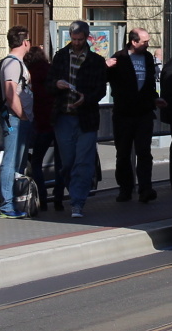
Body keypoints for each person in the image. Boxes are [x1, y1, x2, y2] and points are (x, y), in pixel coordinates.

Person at [48, 20, 107, 219]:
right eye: (73, 39)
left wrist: (86, 98)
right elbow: (48, 84)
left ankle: (77, 202)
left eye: (80, 40)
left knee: (84, 161)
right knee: (68, 162)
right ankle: (74, 190)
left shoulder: (96, 61)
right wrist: (57, 83)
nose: (76, 43)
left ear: (87, 37)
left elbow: (100, 90)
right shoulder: (61, 57)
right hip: (63, 116)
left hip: (86, 118)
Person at [106, 28, 167, 203]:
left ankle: (145, 189)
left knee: (144, 153)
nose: (147, 44)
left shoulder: (147, 58)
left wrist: (155, 99)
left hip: (144, 113)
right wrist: (105, 65)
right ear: (134, 42)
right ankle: (125, 189)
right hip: (124, 114)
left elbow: (148, 84)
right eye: (144, 42)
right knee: (123, 153)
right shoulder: (120, 57)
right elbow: (104, 77)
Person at [0, 26, 33, 220]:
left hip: (18, 119)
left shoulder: (17, 62)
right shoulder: (12, 63)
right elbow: (11, 94)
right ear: (25, 42)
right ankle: (7, 205)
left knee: (17, 163)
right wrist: (23, 116)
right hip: (14, 120)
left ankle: (15, 202)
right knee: (10, 162)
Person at [25, 45, 63, 211]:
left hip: (42, 124)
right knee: (61, 162)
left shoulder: (30, 74)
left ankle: (42, 196)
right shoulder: (52, 70)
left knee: (36, 162)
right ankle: (59, 198)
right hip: (58, 121)